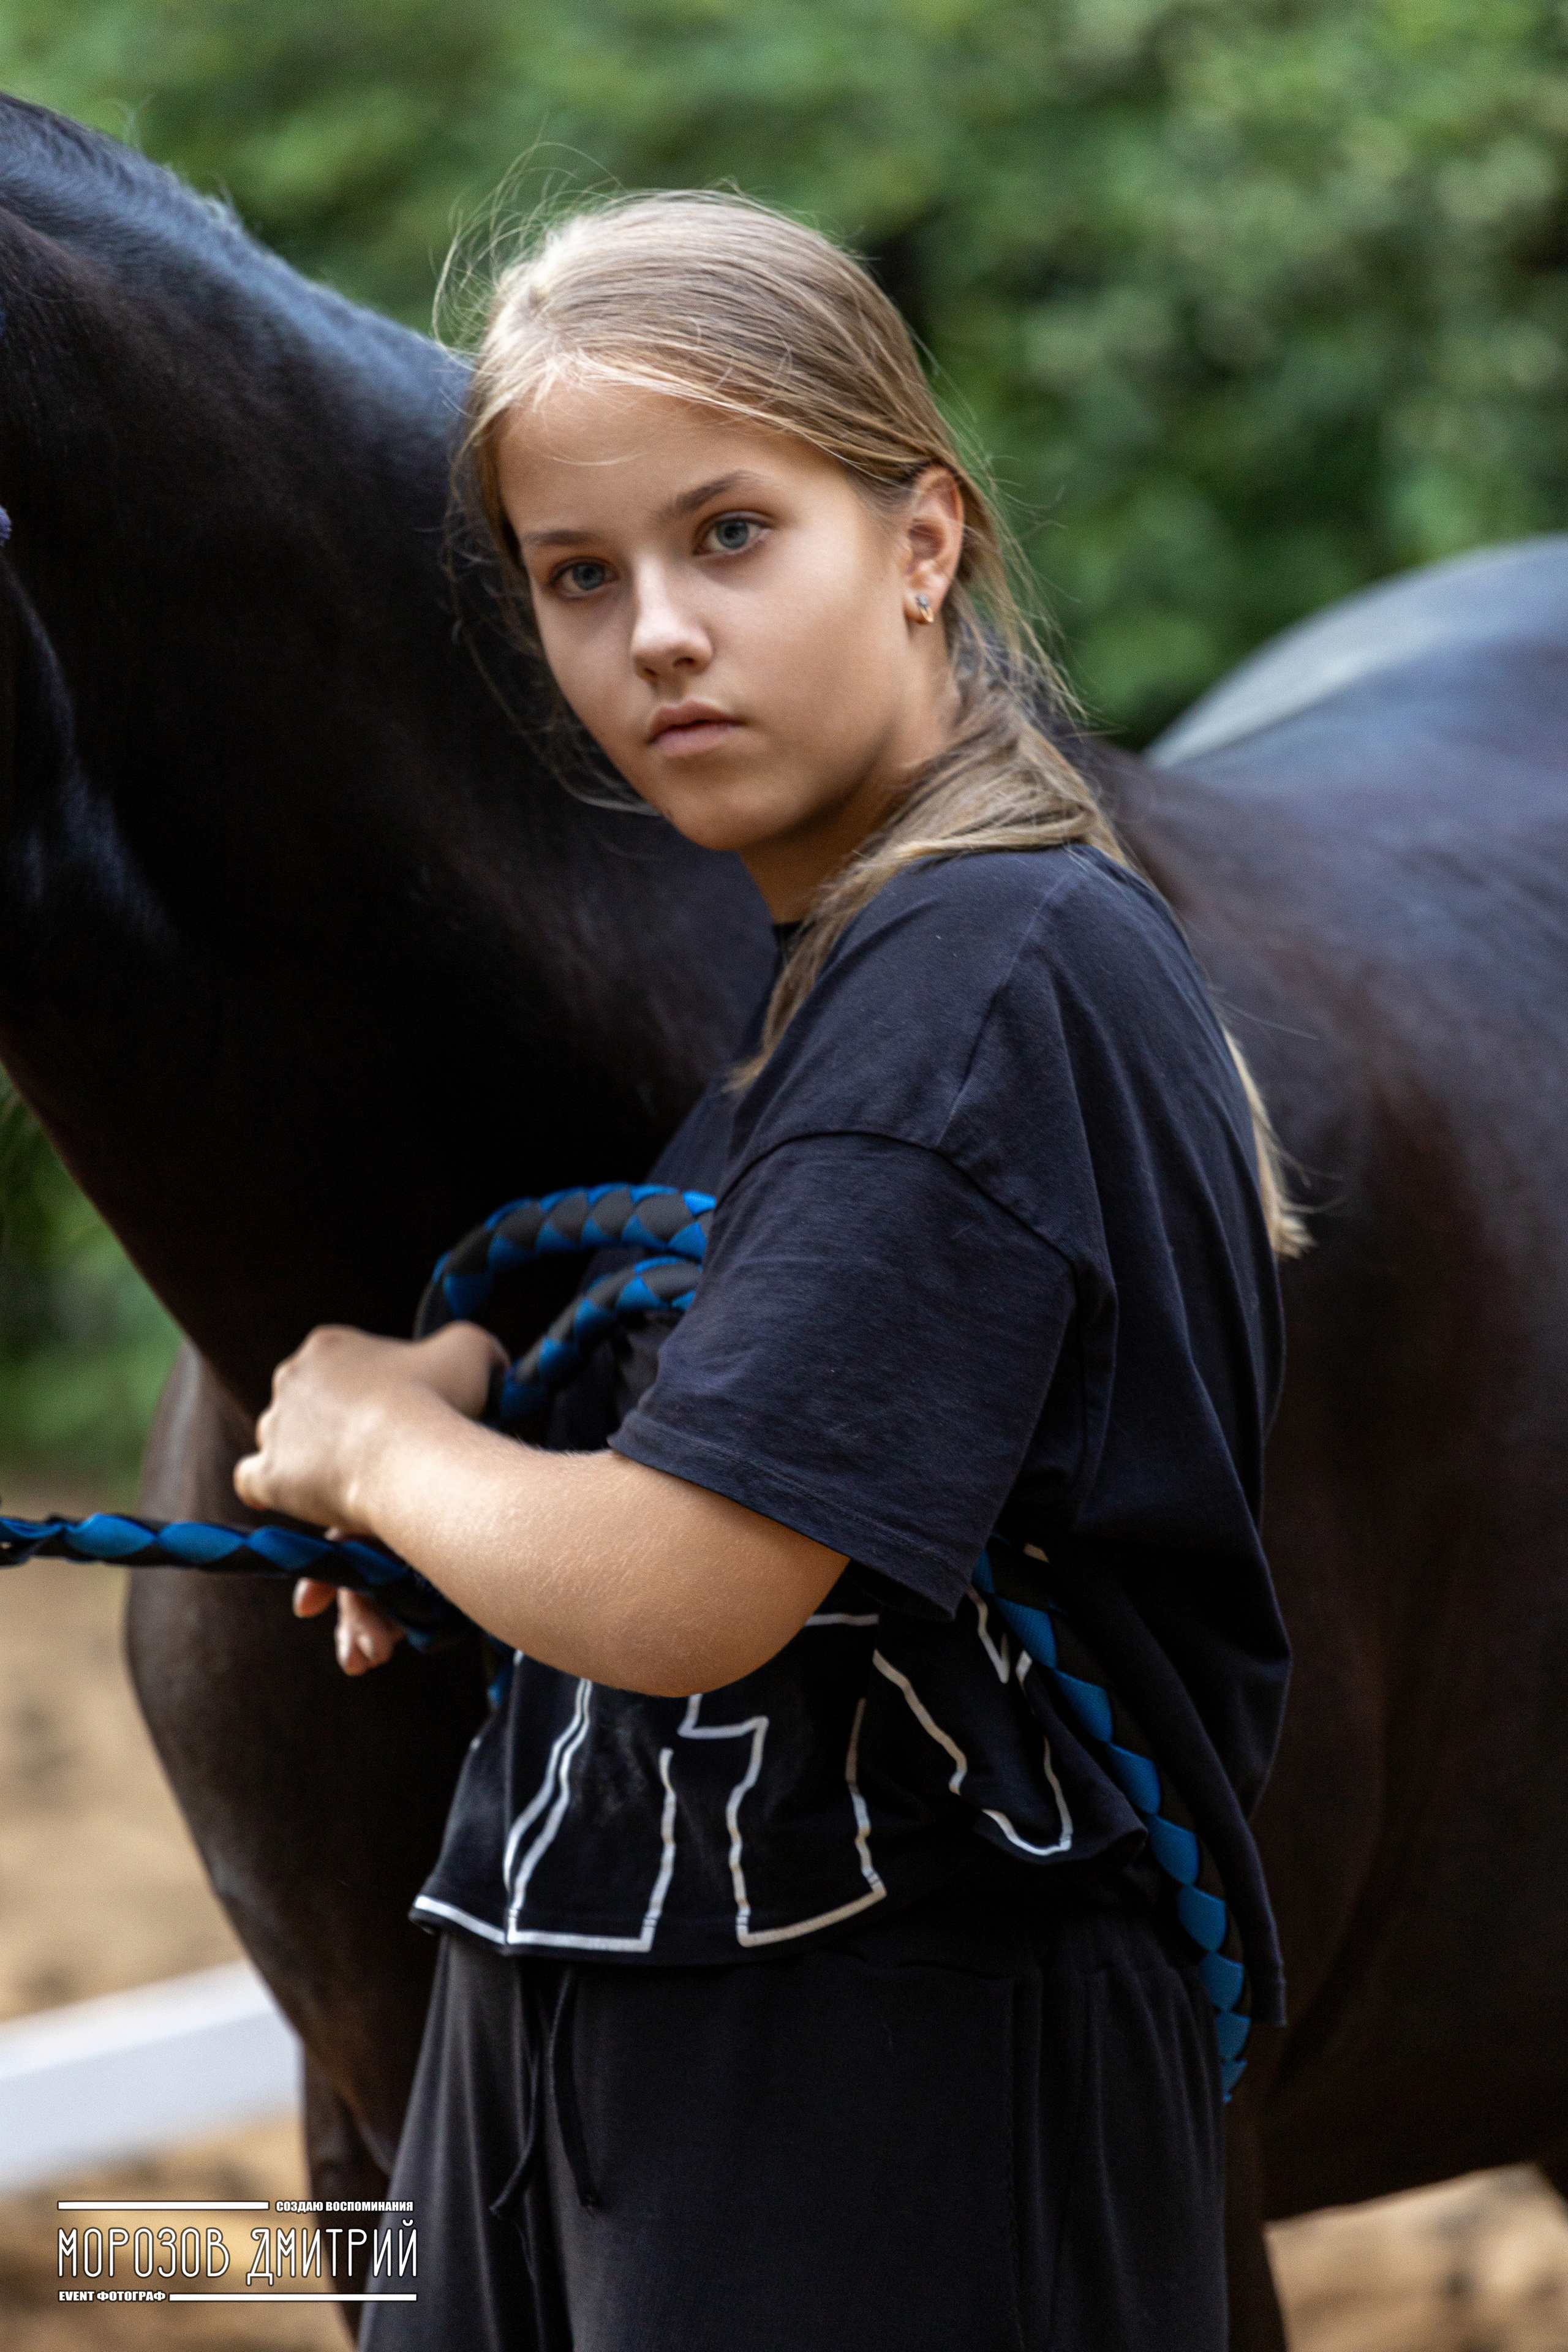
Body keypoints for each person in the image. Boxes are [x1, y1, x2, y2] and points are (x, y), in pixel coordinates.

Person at [235, 191, 1298, 2352]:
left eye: (734, 535)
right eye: (578, 577)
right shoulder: (848, 989)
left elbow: (691, 1586)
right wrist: (488, 1448)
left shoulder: (977, 977)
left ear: (921, 542)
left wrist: (371, 1443)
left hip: (886, 2114)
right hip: (715, 2069)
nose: (657, 637)